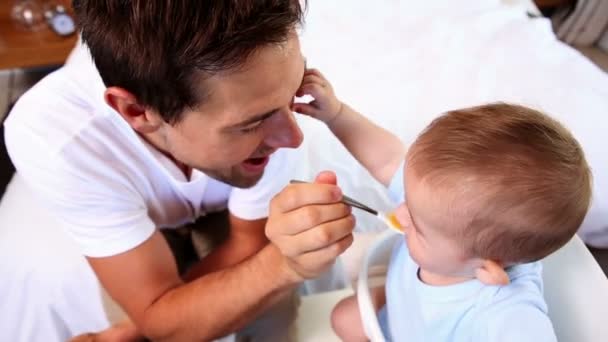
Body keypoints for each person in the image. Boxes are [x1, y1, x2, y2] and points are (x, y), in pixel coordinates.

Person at [3, 1, 356, 341]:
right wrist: (284, 265)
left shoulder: (261, 83)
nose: (292, 138)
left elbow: (247, 241)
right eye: (252, 124)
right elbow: (157, 311)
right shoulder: (55, 138)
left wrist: (149, 325)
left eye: (293, 94)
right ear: (137, 111)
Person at [294, 69, 592, 341]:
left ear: (488, 269)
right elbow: (387, 159)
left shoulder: (504, 313)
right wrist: (337, 114)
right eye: (408, 202)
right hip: (401, 309)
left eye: (420, 229)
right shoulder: (441, 207)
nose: (400, 213)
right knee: (343, 317)